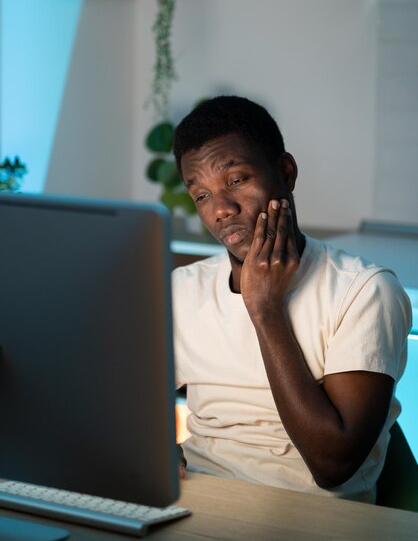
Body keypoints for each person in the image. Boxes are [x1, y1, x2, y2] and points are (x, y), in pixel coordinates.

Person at [171, 95, 411, 502]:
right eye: (202, 195)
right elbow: (126, 402)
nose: (222, 210)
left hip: (310, 519)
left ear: (286, 172)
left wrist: (265, 309)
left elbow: (333, 466)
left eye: (236, 180)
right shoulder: (184, 288)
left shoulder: (364, 291)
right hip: (200, 503)